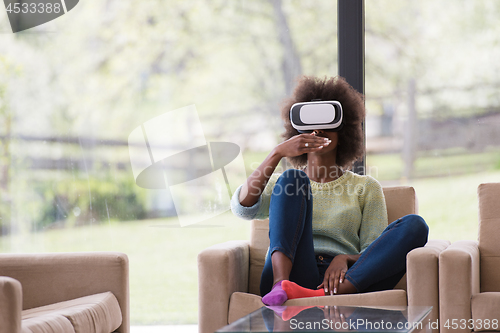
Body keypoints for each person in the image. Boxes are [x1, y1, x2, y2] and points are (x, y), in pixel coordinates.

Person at [230, 76, 429, 306]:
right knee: (292, 177)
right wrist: (277, 153)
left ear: (344, 129)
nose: (318, 129)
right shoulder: (286, 184)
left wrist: (345, 258)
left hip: (342, 278)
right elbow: (242, 209)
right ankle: (281, 286)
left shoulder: (365, 188)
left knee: (416, 225)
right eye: (311, 122)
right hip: (294, 269)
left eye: (327, 121)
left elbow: (374, 250)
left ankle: (319, 296)